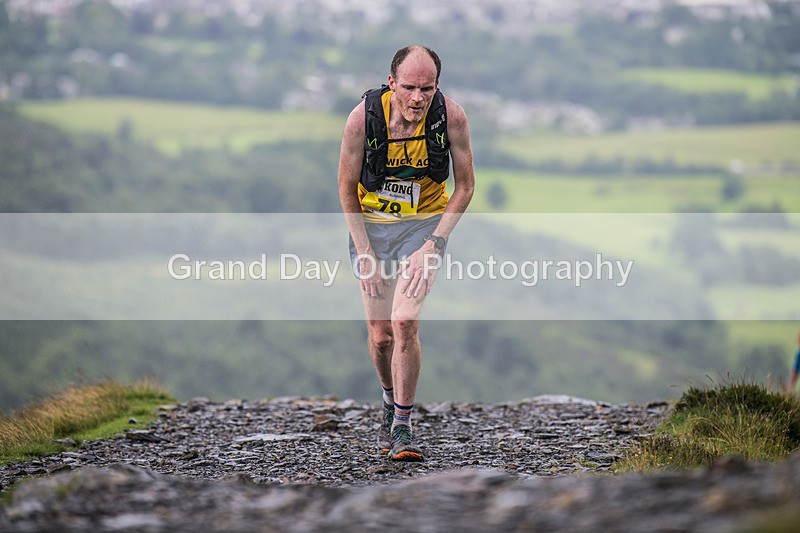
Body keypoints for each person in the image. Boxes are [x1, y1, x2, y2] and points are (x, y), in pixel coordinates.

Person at [337, 45, 475, 461]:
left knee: (404, 322)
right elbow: (346, 189)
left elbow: (465, 187)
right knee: (381, 336)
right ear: (392, 83)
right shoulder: (362, 119)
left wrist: (435, 244)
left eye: (427, 89)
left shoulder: (451, 117)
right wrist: (365, 253)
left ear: (437, 86)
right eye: (410, 88)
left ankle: (402, 425)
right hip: (372, 228)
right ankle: (387, 398)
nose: (418, 98)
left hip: (423, 227)